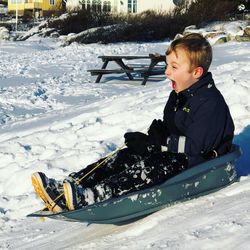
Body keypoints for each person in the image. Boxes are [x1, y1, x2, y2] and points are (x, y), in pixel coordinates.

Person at [31, 33, 234, 212]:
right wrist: (155, 134)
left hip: (201, 160)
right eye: (166, 65)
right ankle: (71, 186)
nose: (167, 72)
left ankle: (92, 196)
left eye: (174, 67)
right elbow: (175, 126)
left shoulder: (209, 102)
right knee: (127, 154)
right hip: (177, 150)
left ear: (196, 73)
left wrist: (158, 143)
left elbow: (195, 146)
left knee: (151, 165)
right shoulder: (179, 93)